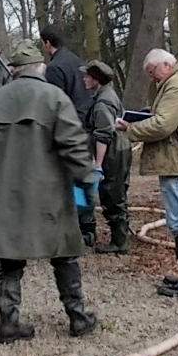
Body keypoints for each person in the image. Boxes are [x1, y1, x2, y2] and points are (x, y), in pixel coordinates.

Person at [0, 40, 99, 343]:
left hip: (5, 196)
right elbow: (76, 149)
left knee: (10, 260)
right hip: (51, 196)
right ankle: (78, 317)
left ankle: (8, 322)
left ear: (14, 70)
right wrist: (87, 186)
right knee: (64, 255)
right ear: (41, 68)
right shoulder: (55, 98)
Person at [115, 48, 178, 297]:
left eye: (152, 71)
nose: (152, 77)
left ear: (166, 65)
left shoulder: (177, 85)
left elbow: (163, 124)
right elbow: (165, 116)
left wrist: (130, 129)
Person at [78, 59, 133, 254]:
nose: (84, 79)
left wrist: (98, 165)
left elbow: (103, 135)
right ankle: (121, 237)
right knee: (117, 192)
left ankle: (120, 241)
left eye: (87, 76)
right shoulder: (107, 95)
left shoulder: (102, 102)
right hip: (119, 148)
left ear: (96, 79)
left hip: (112, 152)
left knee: (112, 193)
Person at [39, 25, 92, 114]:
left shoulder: (54, 67)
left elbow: (55, 102)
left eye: (42, 43)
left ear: (47, 43)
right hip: (87, 115)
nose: (43, 47)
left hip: (71, 117)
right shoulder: (77, 60)